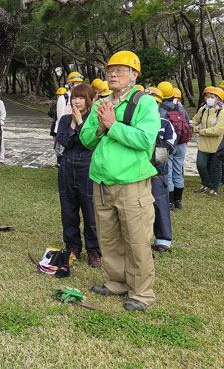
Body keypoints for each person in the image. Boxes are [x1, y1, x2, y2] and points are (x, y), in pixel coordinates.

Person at [80, 51, 161, 312]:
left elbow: (144, 141)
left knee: (136, 240)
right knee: (109, 238)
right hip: (101, 183)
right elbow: (86, 139)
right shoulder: (101, 103)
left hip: (131, 183)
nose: (113, 74)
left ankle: (142, 293)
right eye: (110, 70)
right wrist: (101, 127)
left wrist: (113, 126)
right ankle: (117, 281)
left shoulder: (144, 103)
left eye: (120, 70)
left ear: (134, 75)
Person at [56, 83, 101, 267]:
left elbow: (89, 143)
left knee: (90, 211)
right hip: (67, 166)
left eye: (81, 97)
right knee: (68, 209)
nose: (77, 101)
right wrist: (73, 122)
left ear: (89, 100)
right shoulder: (65, 120)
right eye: (74, 97)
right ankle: (72, 246)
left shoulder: (94, 119)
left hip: (87, 166)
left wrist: (81, 123)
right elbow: (64, 141)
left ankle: (94, 250)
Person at [146, 87, 177, 253]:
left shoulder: (165, 124)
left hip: (158, 172)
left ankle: (163, 240)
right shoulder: (138, 123)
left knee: (160, 204)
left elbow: (170, 146)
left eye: (154, 102)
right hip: (137, 172)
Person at [157, 81, 190, 210]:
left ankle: (170, 204)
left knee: (168, 173)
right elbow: (187, 122)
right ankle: (178, 202)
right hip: (181, 144)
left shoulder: (160, 109)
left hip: (169, 144)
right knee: (178, 172)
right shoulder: (180, 108)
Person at [191, 87, 224, 196]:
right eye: (207, 96)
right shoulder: (203, 109)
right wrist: (192, 126)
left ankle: (214, 188)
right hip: (203, 144)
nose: (209, 99)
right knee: (201, 165)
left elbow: (218, 130)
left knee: (215, 167)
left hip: (216, 145)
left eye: (212, 97)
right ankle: (206, 183)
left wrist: (201, 131)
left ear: (218, 99)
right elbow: (195, 121)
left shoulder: (221, 112)